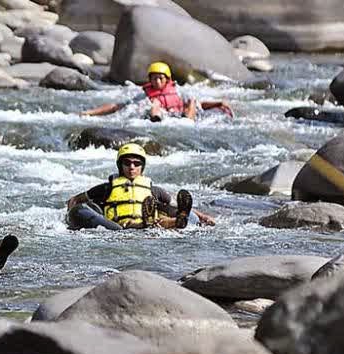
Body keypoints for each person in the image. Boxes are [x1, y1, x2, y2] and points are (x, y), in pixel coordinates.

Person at [66, 143, 216, 229]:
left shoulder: (153, 190)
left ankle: (176, 222)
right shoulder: (107, 188)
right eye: (127, 163)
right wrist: (70, 215)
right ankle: (164, 223)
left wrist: (202, 216)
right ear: (120, 165)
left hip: (149, 227)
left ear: (142, 167)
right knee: (152, 225)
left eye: (136, 164)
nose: (132, 167)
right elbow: (76, 200)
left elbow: (178, 205)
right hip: (119, 228)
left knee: (163, 219)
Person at [79, 62, 233, 122]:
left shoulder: (179, 91)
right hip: (159, 117)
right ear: (149, 79)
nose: (157, 82)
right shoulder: (144, 95)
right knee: (155, 103)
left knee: (191, 100)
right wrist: (90, 113)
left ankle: (188, 123)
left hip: (180, 117)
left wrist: (218, 103)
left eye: (161, 78)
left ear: (167, 79)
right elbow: (117, 106)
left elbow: (200, 105)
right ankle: (156, 119)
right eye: (154, 78)